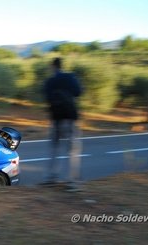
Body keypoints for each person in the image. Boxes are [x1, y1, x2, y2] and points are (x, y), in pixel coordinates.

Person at [42, 57, 83, 192]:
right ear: (62, 65)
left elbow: (46, 97)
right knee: (72, 151)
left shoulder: (50, 81)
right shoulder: (70, 77)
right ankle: (72, 182)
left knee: (54, 148)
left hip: (55, 119)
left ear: (52, 66)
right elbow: (78, 92)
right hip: (70, 118)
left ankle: (51, 178)